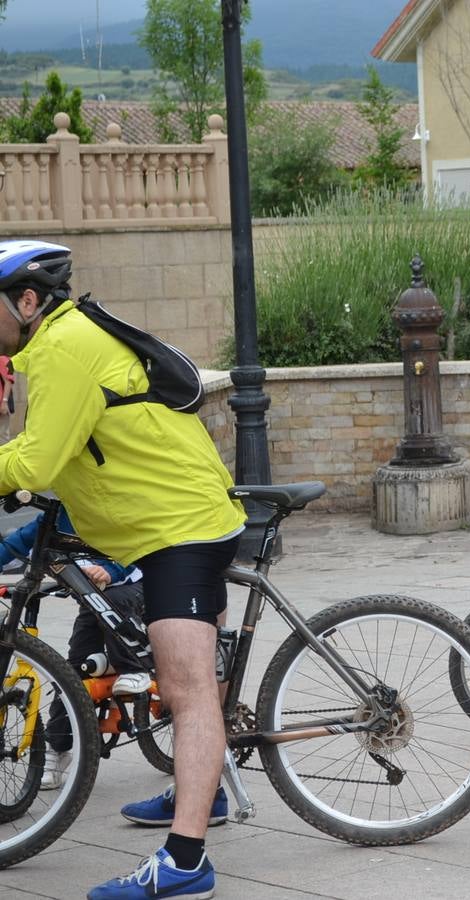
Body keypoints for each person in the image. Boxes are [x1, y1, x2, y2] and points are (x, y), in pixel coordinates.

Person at [0, 240, 245, 898]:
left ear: (26, 301)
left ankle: (187, 863)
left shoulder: (62, 347)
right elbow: (53, 440)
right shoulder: (58, 340)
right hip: (170, 519)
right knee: (197, 677)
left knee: (186, 686)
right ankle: (206, 791)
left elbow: (40, 462)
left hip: (179, 529)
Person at [0, 509, 150, 790]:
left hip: (133, 591)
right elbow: (16, 543)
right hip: (90, 600)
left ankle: (134, 667)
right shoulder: (57, 516)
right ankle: (57, 749)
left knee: (115, 600)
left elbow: (136, 540)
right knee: (72, 673)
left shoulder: (111, 505)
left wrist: (112, 569)